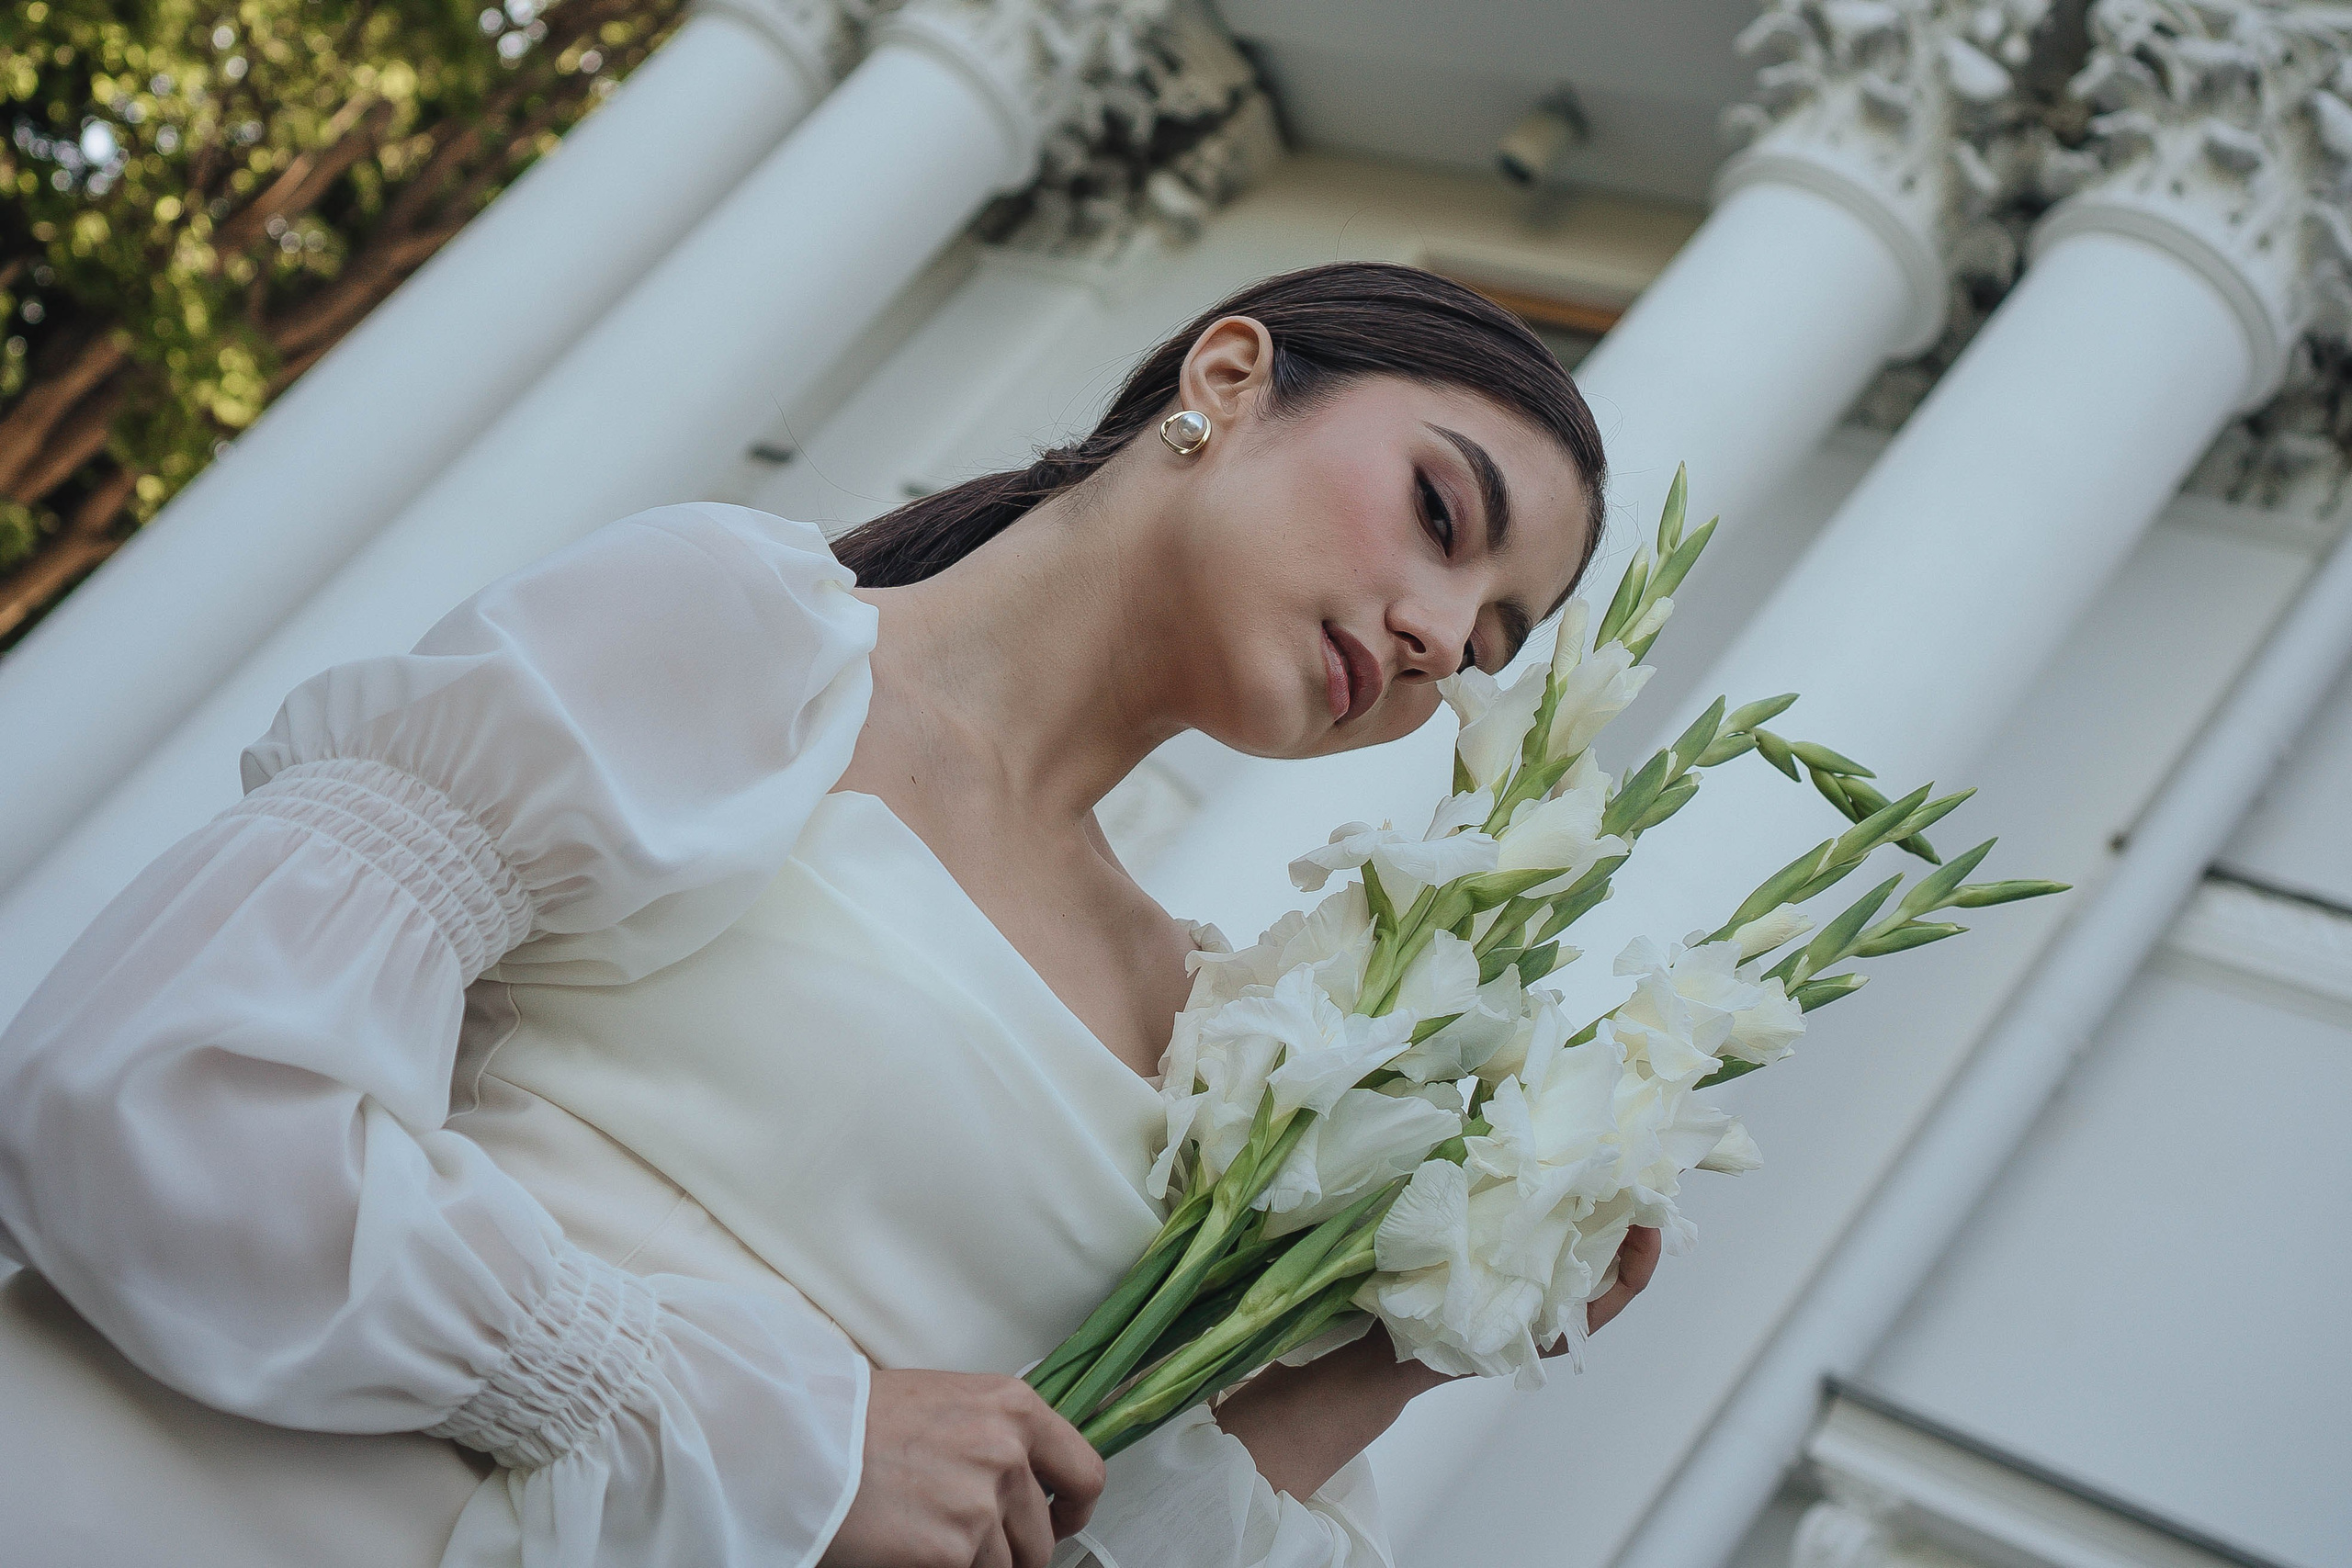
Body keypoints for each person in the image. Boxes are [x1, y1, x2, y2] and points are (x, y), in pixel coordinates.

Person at [0, 261, 1660, 1568]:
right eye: (1443, 518)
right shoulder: (739, 639)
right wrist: (791, 1437)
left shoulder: (1220, 1041)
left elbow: (1041, 1521)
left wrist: (1435, 1329)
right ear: (1228, 378)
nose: (1446, 636)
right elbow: (156, 1081)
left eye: (1496, 641)